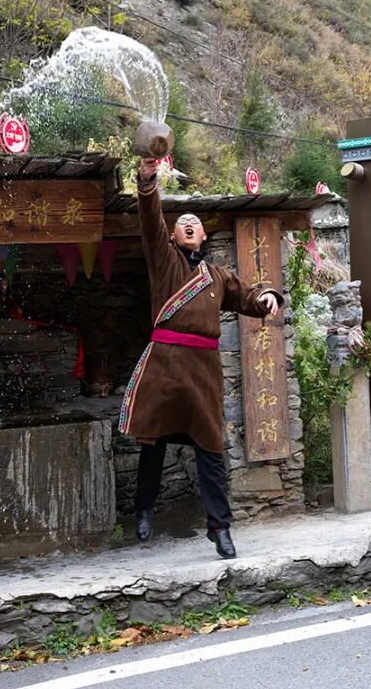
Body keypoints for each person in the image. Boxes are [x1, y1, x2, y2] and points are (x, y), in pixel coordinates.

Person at [119, 153, 283, 559]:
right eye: (181, 223)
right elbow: (150, 220)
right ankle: (144, 510)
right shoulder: (164, 262)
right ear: (174, 237)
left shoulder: (218, 276)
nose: (188, 224)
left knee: (211, 448)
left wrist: (266, 298)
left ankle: (220, 527)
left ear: (204, 236)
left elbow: (247, 294)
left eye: (194, 222)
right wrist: (147, 183)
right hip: (165, 364)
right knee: (153, 442)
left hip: (204, 370)